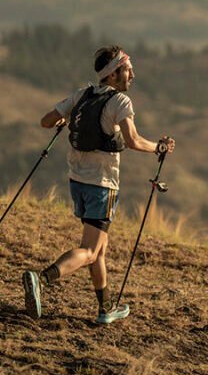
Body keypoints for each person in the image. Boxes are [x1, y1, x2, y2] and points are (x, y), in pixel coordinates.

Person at [22, 46, 175, 323]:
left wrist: (66, 118)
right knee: (90, 251)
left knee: (100, 249)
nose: (133, 75)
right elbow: (133, 141)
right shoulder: (120, 103)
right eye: (128, 70)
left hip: (77, 181)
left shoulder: (82, 95)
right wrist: (159, 148)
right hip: (102, 184)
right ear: (114, 73)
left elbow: (46, 121)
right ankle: (41, 279)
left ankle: (106, 309)